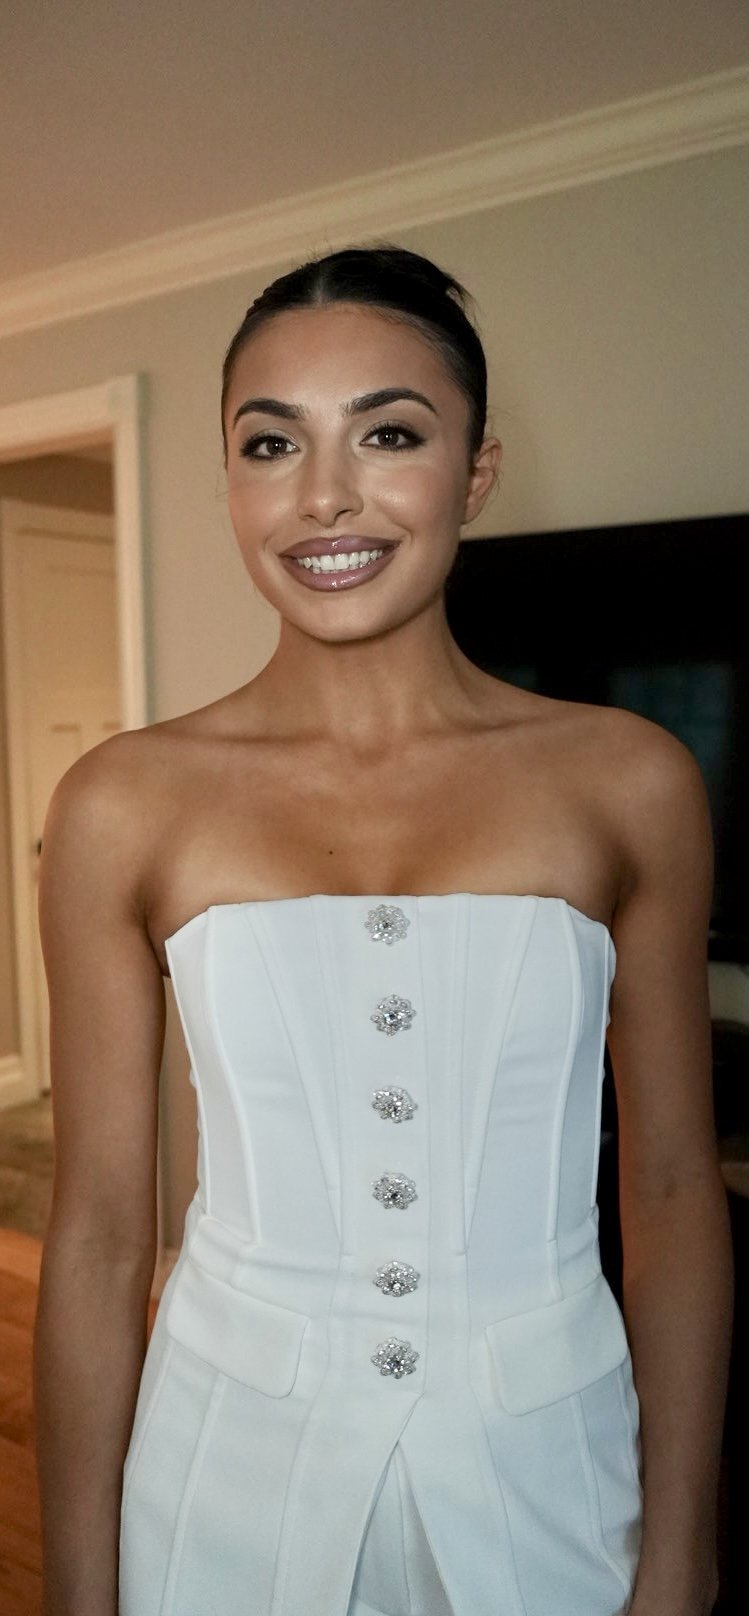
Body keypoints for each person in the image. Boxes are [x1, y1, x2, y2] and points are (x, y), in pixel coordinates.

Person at [33, 243, 732, 1616]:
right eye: (270, 443)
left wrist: (682, 1552)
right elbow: (105, 1235)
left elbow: (665, 1194)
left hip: (554, 1472)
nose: (325, 496)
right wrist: (75, 1591)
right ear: (227, 479)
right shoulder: (125, 801)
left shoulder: (628, 780)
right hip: (222, 1468)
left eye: (390, 433)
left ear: (473, 473)